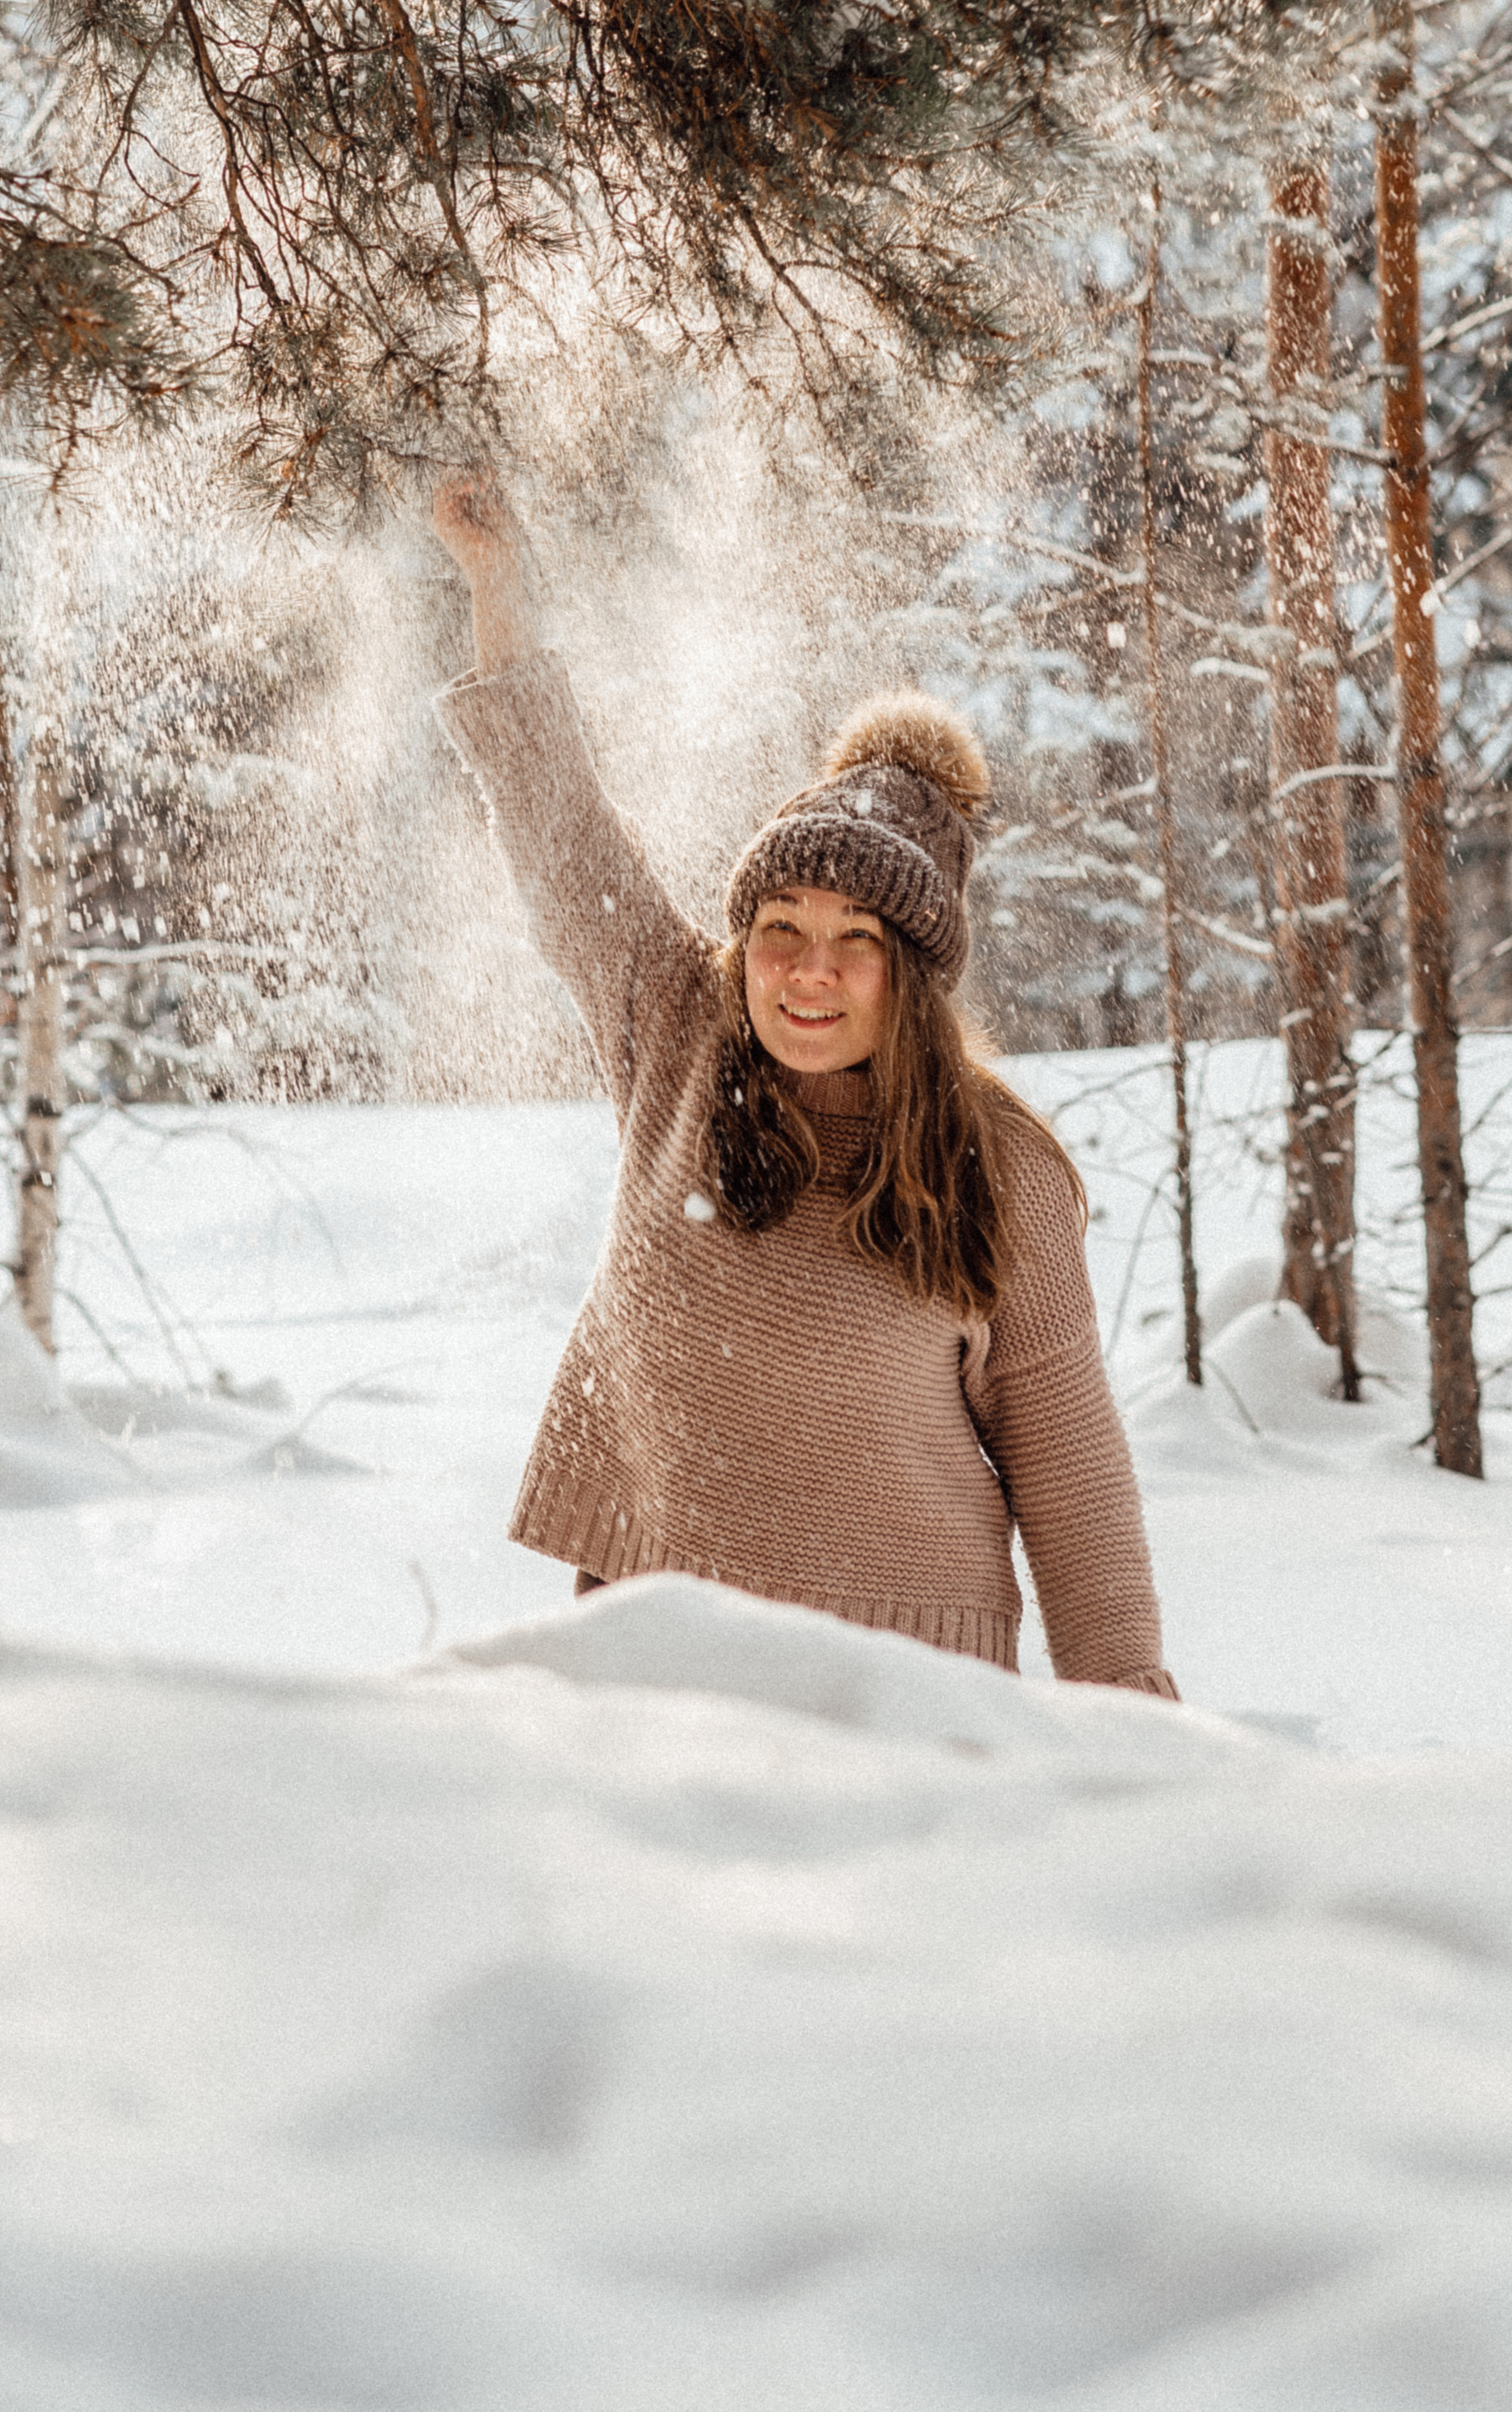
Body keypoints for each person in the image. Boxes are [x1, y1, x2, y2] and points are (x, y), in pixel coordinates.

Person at [430, 475, 1178, 1698]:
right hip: (651, 1642)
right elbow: (558, 827)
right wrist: (497, 582)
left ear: (913, 976)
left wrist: (1134, 1703)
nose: (809, 972)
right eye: (781, 923)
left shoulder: (1000, 1170)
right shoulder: (679, 1032)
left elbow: (1070, 1462)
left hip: (900, 1682)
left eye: (858, 940)